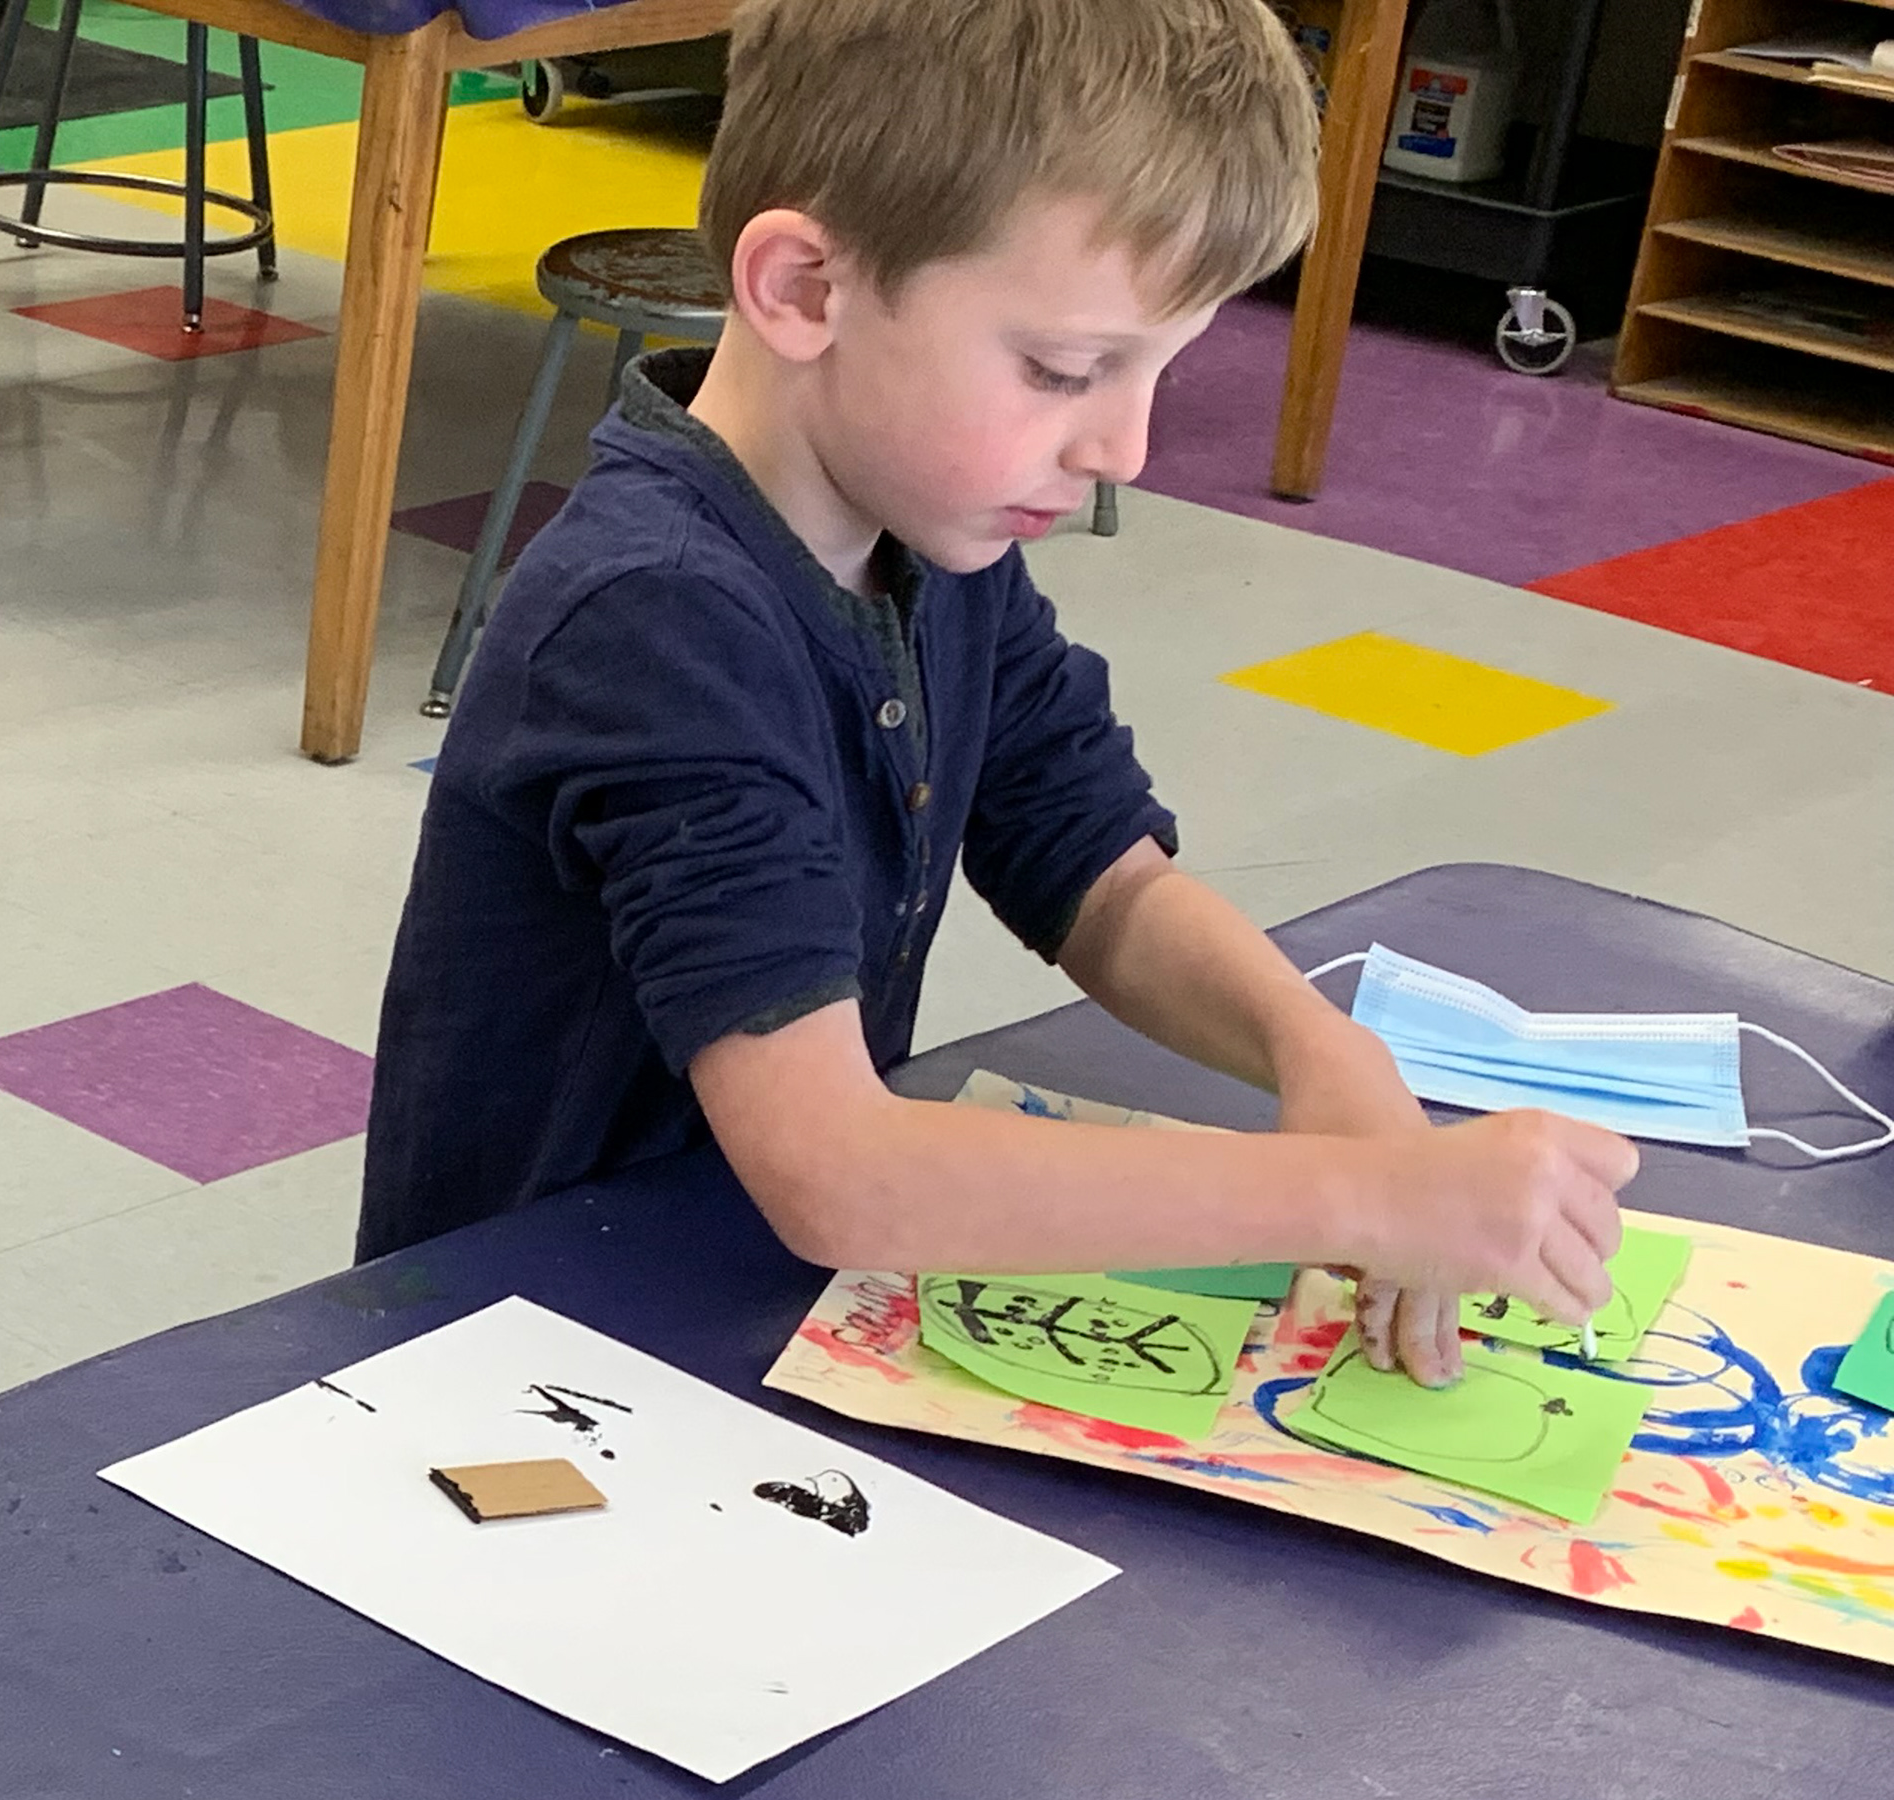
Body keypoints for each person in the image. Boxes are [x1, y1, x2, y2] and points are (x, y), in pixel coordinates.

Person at [359, 0, 1633, 1387]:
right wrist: (1361, 1199)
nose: (1125, 447)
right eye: (1067, 371)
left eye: (1161, 369)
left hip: (741, 1308)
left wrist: (1316, 1053)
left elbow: (1102, 878)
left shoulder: (928, 533)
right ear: (804, 290)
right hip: (527, 1356)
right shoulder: (656, 620)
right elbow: (840, 1173)